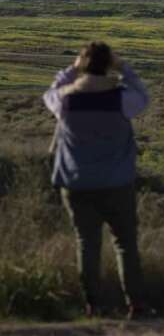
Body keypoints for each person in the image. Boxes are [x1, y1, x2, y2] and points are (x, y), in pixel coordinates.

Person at [43, 42, 150, 319]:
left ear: (83, 64)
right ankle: (136, 303)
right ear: (108, 65)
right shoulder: (121, 99)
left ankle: (94, 304)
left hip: (76, 183)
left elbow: (49, 93)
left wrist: (71, 70)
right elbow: (142, 96)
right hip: (117, 182)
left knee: (86, 244)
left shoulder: (66, 100)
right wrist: (123, 67)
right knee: (125, 244)